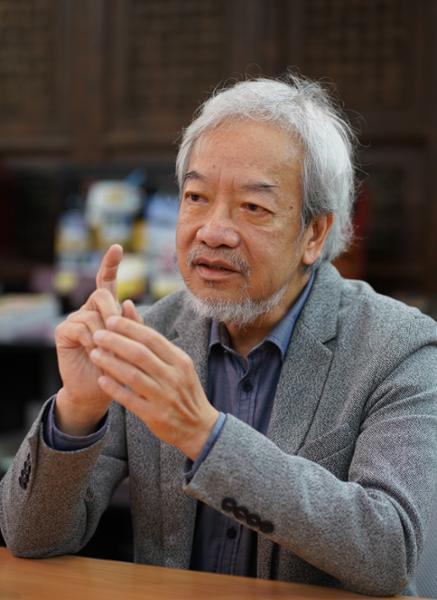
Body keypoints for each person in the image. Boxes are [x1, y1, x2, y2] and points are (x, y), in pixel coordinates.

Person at [1, 74, 437, 597]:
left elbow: (390, 551)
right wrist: (78, 410)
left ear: (314, 233)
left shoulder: (399, 348)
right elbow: (29, 538)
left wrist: (204, 435)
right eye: (196, 197)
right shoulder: (150, 335)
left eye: (253, 207)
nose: (212, 230)